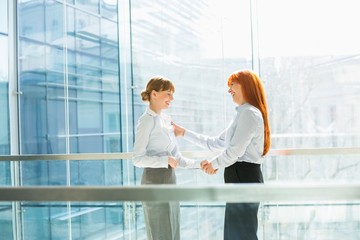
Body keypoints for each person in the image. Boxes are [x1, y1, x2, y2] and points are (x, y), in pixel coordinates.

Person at [173, 69, 271, 240]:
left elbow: (235, 150)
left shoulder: (249, 113)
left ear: (246, 86)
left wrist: (213, 164)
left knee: (242, 234)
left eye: (232, 84)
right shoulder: (242, 113)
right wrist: (184, 133)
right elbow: (216, 143)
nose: (229, 90)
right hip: (239, 176)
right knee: (236, 233)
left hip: (244, 177)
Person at [132, 76, 199, 240]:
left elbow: (177, 158)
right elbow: (137, 158)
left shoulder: (166, 120)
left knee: (173, 230)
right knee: (159, 232)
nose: (172, 98)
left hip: (170, 179)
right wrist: (164, 161)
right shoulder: (146, 121)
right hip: (153, 181)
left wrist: (200, 164)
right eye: (168, 94)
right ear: (154, 94)